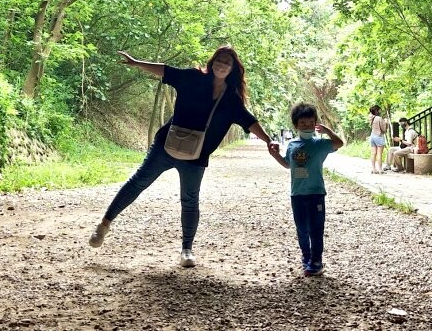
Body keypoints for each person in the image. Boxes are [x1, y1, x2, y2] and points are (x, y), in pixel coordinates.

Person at [88, 45, 277, 268]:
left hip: (196, 156)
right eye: (219, 60)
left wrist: (268, 140)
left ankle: (187, 249)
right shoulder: (193, 78)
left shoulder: (231, 99)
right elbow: (167, 71)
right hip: (165, 145)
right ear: (212, 62)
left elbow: (249, 121)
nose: (222, 65)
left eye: (227, 62)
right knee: (138, 182)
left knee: (189, 201)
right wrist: (137, 63)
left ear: (233, 68)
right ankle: (104, 225)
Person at [268, 103, 344, 277]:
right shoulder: (292, 145)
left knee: (316, 229)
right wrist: (275, 156)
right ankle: (306, 257)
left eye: (311, 122)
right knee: (301, 228)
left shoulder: (320, 144)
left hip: (316, 193)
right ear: (296, 125)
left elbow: (339, 143)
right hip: (297, 194)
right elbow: (288, 164)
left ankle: (316, 261)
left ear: (315, 123)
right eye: (303, 123)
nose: (308, 126)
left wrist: (328, 131)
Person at [368, 104, 388, 174]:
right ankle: (380, 170)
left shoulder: (371, 118)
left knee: (373, 153)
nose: (380, 111)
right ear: (377, 110)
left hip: (372, 136)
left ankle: (374, 169)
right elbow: (384, 129)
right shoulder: (379, 118)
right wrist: (386, 122)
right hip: (379, 136)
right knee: (379, 153)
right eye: (379, 109)